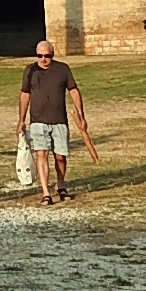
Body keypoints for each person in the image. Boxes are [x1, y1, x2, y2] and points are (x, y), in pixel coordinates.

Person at [16, 40, 87, 205]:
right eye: (39, 56)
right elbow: (25, 94)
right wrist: (21, 119)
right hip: (37, 120)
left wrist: (81, 114)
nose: (43, 59)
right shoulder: (30, 70)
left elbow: (74, 91)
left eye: (47, 55)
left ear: (52, 55)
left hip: (59, 120)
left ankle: (60, 185)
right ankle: (46, 192)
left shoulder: (63, 69)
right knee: (42, 154)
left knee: (60, 156)